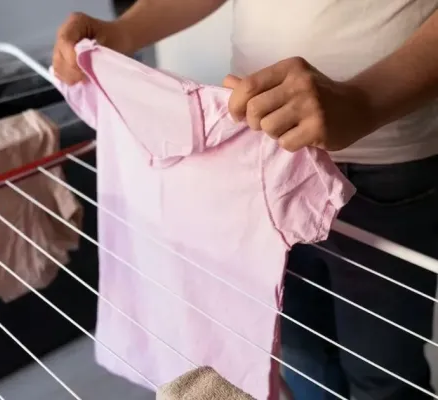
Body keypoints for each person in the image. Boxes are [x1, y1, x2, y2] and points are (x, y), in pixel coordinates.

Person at [52, 1, 438, 399]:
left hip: (387, 163)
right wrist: (126, 30)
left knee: (384, 376)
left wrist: (365, 101)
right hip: (255, 152)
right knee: (301, 356)